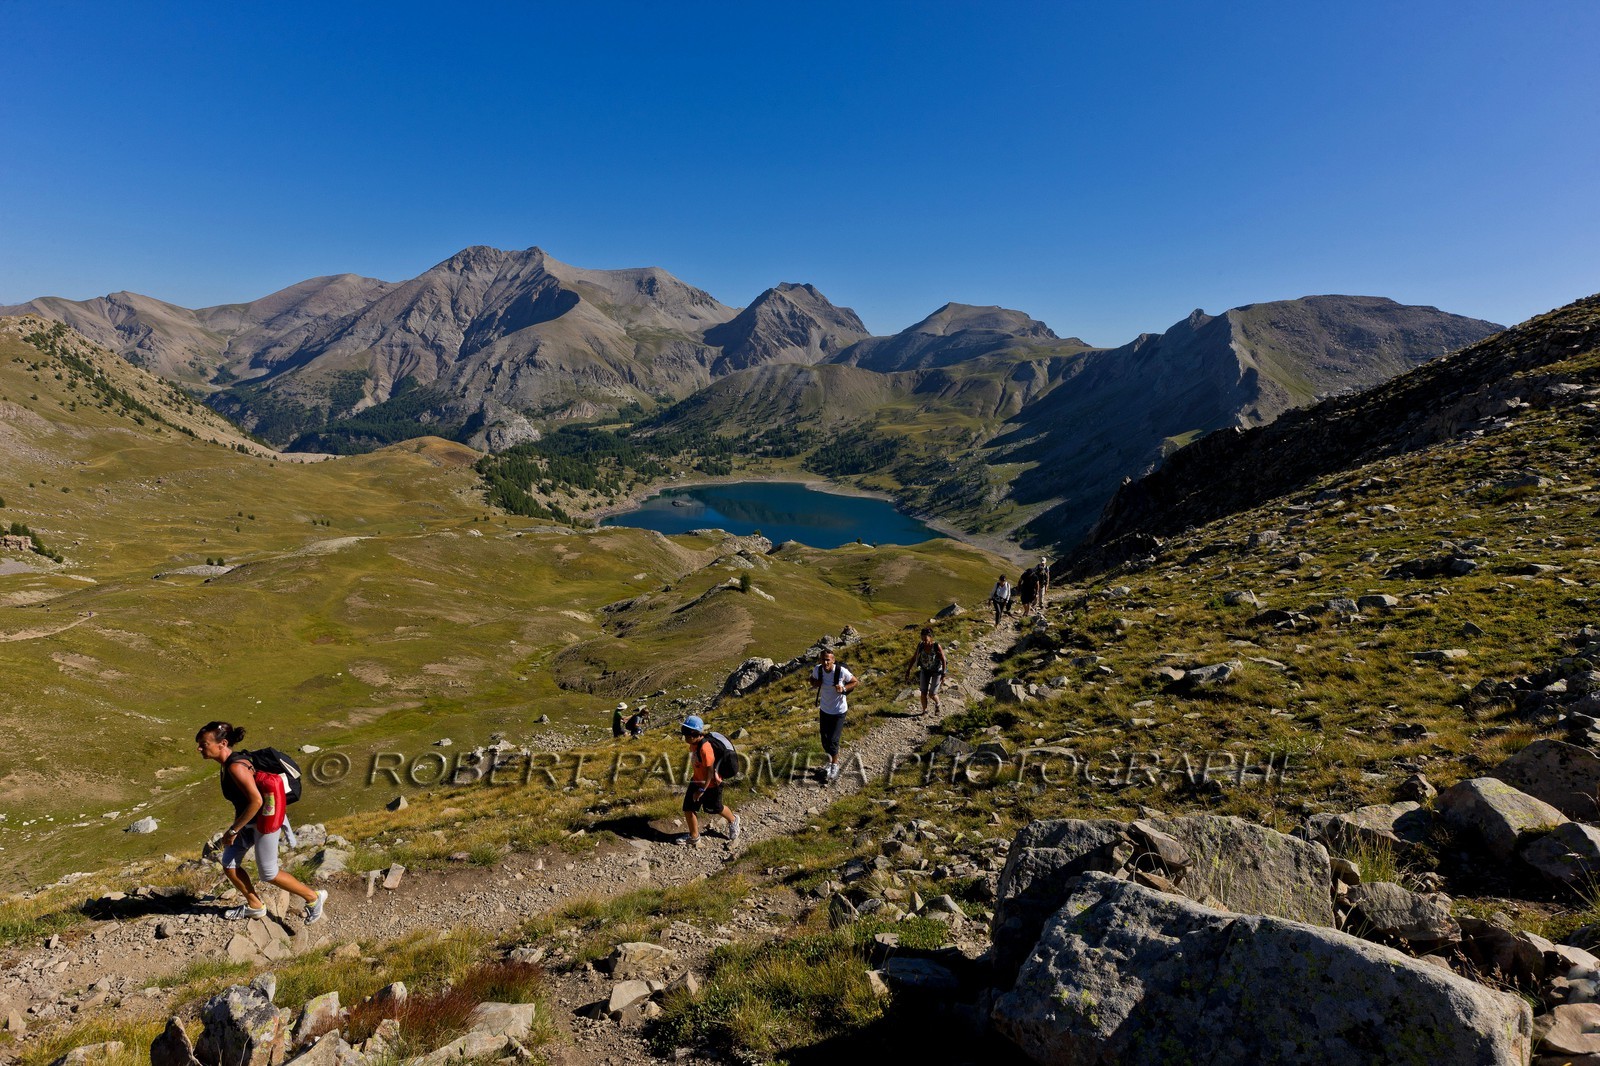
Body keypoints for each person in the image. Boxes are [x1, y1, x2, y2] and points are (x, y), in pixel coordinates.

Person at [196, 721, 326, 923]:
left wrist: (232, 831)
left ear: (222, 743)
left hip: (264, 823)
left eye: (204, 744)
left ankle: (313, 897)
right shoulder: (227, 765)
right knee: (229, 864)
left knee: (268, 873)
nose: (200, 748)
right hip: (248, 823)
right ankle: (255, 906)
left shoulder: (236, 767)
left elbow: (256, 801)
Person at [679, 716, 740, 847]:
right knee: (688, 808)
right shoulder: (693, 744)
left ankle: (733, 820)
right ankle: (694, 837)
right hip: (696, 781)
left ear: (696, 733)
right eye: (683, 731)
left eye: (687, 733)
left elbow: (710, 772)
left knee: (716, 808)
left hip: (711, 784)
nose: (685, 736)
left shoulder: (705, 749)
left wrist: (702, 790)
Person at [808, 648, 857, 782]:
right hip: (824, 710)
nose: (825, 662)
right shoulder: (818, 669)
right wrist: (814, 683)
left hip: (839, 711)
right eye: (823, 660)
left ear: (833, 660)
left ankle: (835, 765)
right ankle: (830, 762)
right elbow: (811, 679)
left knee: (833, 740)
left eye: (828, 660)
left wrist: (844, 688)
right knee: (825, 739)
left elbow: (855, 681)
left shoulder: (841, 671)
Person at [903, 626, 948, 716]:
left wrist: (943, 674)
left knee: (932, 693)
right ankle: (925, 711)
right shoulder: (921, 645)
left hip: (936, 671)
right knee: (923, 692)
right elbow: (914, 657)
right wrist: (908, 670)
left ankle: (938, 704)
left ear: (930, 636)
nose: (924, 638)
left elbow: (943, 660)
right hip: (925, 670)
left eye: (925, 636)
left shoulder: (936, 646)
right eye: (922, 636)